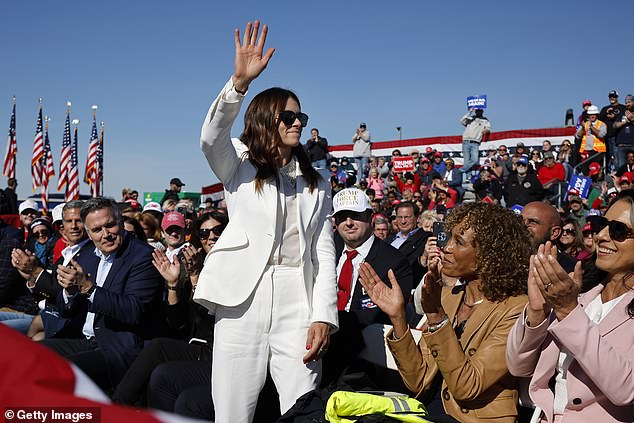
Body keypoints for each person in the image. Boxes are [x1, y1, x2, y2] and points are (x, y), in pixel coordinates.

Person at [192, 21, 336, 423]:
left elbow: (323, 251)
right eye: (287, 115)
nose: (296, 123)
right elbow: (210, 137)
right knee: (233, 413)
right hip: (242, 301)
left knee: (305, 411)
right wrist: (238, 84)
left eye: (300, 116)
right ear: (265, 118)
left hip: (299, 301)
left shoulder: (317, 183)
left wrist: (323, 315)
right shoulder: (237, 161)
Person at [358, 202, 532, 422]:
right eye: (449, 238)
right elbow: (417, 381)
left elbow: (467, 387)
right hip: (428, 411)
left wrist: (437, 318)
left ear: (489, 254)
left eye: (458, 242)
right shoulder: (449, 297)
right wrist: (398, 316)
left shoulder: (515, 309)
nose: (447, 247)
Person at [506, 189, 634, 422]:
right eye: (603, 225)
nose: (601, 236)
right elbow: (518, 366)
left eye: (618, 230)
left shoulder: (571, 305)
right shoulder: (582, 297)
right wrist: (537, 312)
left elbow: (626, 390)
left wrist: (567, 311)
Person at [39, 198, 164, 390]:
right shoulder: (88, 255)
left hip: (117, 348)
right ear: (89, 234)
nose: (106, 235)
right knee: (29, 354)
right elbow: (65, 310)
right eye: (97, 230)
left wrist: (88, 289)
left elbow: (133, 311)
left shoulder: (143, 257)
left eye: (110, 225)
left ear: (121, 223)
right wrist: (70, 292)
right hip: (84, 340)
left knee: (61, 374)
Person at [323, 188, 412, 386]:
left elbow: (387, 315)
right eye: (342, 217)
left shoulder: (395, 261)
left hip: (360, 363)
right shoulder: (326, 248)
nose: (348, 222)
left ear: (370, 217)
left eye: (355, 216)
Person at [460, 108, 491, 178]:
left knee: (474, 160)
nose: (478, 112)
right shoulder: (471, 118)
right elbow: (462, 121)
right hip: (466, 141)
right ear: (475, 111)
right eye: (477, 111)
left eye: (480, 111)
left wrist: (486, 130)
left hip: (475, 142)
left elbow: (489, 128)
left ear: (482, 111)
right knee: (467, 161)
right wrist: (470, 112)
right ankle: (468, 177)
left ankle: (460, 171)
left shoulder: (485, 120)